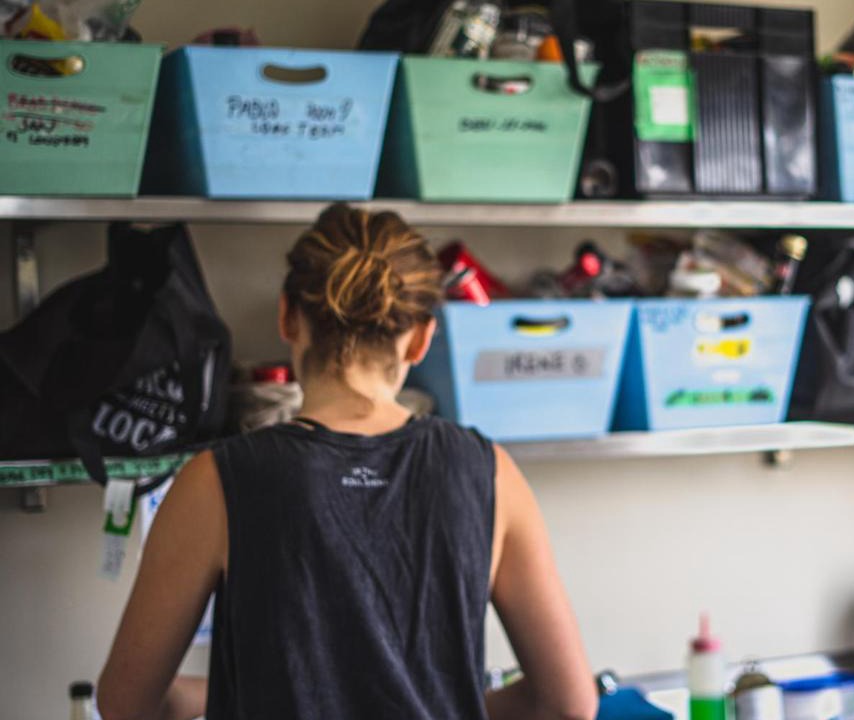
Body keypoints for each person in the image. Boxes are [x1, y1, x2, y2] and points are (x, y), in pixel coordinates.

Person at [97, 204, 598, 720]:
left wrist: (223, 695)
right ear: (423, 338)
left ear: (288, 316)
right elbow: (569, 705)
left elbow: (123, 703)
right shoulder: (489, 472)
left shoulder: (216, 480)